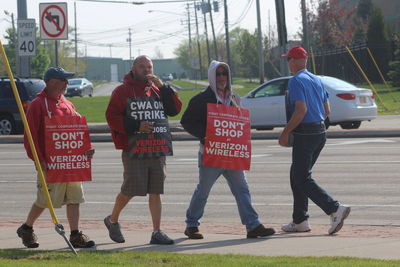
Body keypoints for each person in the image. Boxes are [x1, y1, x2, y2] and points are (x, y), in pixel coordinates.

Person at [180, 60, 276, 239]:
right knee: (203, 191)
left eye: (225, 74)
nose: (222, 77)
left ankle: (253, 225)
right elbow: (186, 121)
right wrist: (204, 135)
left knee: (242, 190)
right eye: (218, 74)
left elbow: (239, 123)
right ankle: (191, 225)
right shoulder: (201, 99)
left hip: (232, 154)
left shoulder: (234, 98)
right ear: (211, 76)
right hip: (210, 154)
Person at [104, 55, 182, 245]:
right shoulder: (122, 91)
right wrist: (137, 125)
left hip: (157, 146)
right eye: (142, 67)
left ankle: (156, 231)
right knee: (130, 189)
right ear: (133, 68)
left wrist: (164, 88)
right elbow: (111, 116)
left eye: (149, 67)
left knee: (156, 190)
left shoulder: (157, 90)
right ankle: (112, 220)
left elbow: (174, 110)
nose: (147, 70)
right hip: (134, 148)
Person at [17, 67, 95, 248]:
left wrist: (87, 148)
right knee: (45, 200)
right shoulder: (38, 104)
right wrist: (38, 159)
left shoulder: (67, 103)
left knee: (75, 199)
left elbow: (78, 132)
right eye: (63, 79)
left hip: (72, 163)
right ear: (52, 82)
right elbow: (30, 136)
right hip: (51, 164)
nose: (67, 83)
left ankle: (75, 235)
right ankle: (26, 228)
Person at [279, 46, 351, 234]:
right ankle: (300, 220)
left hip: (305, 133)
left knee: (301, 177)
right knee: (297, 174)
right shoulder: (316, 79)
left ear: (294, 61)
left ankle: (334, 209)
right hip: (320, 131)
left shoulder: (296, 81)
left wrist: (285, 132)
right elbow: (327, 110)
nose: (287, 63)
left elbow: (300, 110)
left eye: (288, 60)